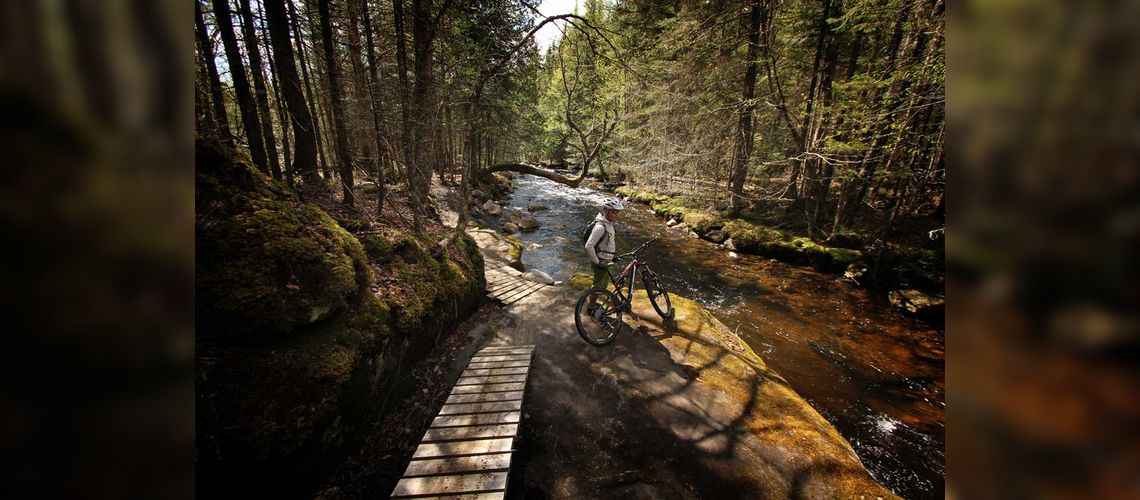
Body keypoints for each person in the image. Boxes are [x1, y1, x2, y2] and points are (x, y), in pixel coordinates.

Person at [585, 197, 624, 315]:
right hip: (601, 261)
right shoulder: (600, 227)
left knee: (600, 284)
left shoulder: (608, 224)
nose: (615, 214)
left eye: (617, 212)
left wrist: (612, 256)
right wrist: (597, 262)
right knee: (598, 286)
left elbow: (606, 244)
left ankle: (591, 304)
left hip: (605, 259)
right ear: (605, 210)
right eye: (613, 211)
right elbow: (589, 246)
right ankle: (591, 308)